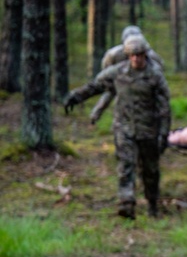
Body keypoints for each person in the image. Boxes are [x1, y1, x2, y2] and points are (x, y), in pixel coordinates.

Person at [63, 34, 172, 219]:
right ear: (128, 56)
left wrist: (164, 134)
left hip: (148, 130)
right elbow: (96, 86)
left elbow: (165, 109)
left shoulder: (155, 76)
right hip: (124, 127)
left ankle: (152, 203)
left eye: (140, 55)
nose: (136, 59)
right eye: (132, 55)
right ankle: (126, 203)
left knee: (150, 170)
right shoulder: (117, 72)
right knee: (125, 165)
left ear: (145, 54)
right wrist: (76, 96)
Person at [89, 25, 167, 126]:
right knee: (110, 93)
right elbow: (106, 72)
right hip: (121, 78)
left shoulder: (151, 56)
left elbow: (159, 72)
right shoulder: (114, 54)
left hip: (143, 80)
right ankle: (97, 115)